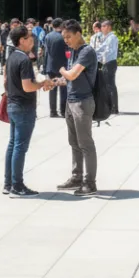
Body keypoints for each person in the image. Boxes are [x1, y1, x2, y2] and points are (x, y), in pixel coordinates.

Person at [3, 24, 55, 196]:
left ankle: (8, 183)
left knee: (13, 144)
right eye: (29, 37)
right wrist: (43, 84)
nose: (32, 40)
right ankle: (17, 186)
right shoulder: (24, 60)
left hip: (13, 105)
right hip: (24, 107)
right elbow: (27, 87)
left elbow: (7, 82)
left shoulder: (11, 57)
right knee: (19, 146)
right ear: (21, 40)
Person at [56, 20, 98, 196]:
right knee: (74, 142)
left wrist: (61, 70)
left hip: (82, 102)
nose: (66, 40)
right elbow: (71, 78)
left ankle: (90, 183)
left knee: (85, 143)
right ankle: (76, 177)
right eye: (64, 37)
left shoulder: (86, 51)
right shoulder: (74, 52)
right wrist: (57, 82)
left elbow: (72, 74)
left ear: (78, 34)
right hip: (71, 101)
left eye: (68, 37)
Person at [43, 18, 68, 118]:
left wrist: (45, 66)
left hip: (50, 65)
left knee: (52, 88)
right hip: (62, 66)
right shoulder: (63, 36)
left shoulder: (48, 36)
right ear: (61, 25)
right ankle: (63, 111)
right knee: (63, 89)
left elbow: (46, 52)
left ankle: (52, 111)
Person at [97, 19, 120, 113]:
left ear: (108, 27)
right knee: (108, 85)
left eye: (103, 26)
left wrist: (97, 54)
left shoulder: (112, 38)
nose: (101, 28)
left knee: (110, 85)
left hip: (110, 63)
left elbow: (107, 51)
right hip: (107, 63)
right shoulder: (106, 37)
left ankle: (114, 108)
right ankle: (112, 106)